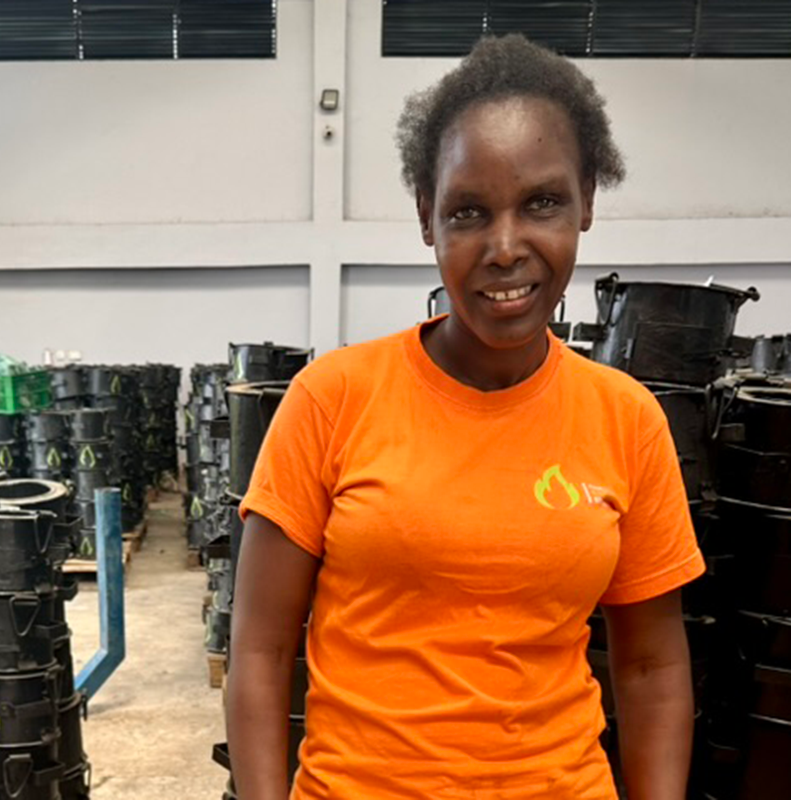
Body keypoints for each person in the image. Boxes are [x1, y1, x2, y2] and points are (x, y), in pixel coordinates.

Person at [226, 34, 704, 800]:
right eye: (469, 212)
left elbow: (652, 668)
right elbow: (258, 650)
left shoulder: (627, 419)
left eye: (542, 202)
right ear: (428, 218)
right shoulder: (332, 398)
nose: (506, 247)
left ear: (586, 200)